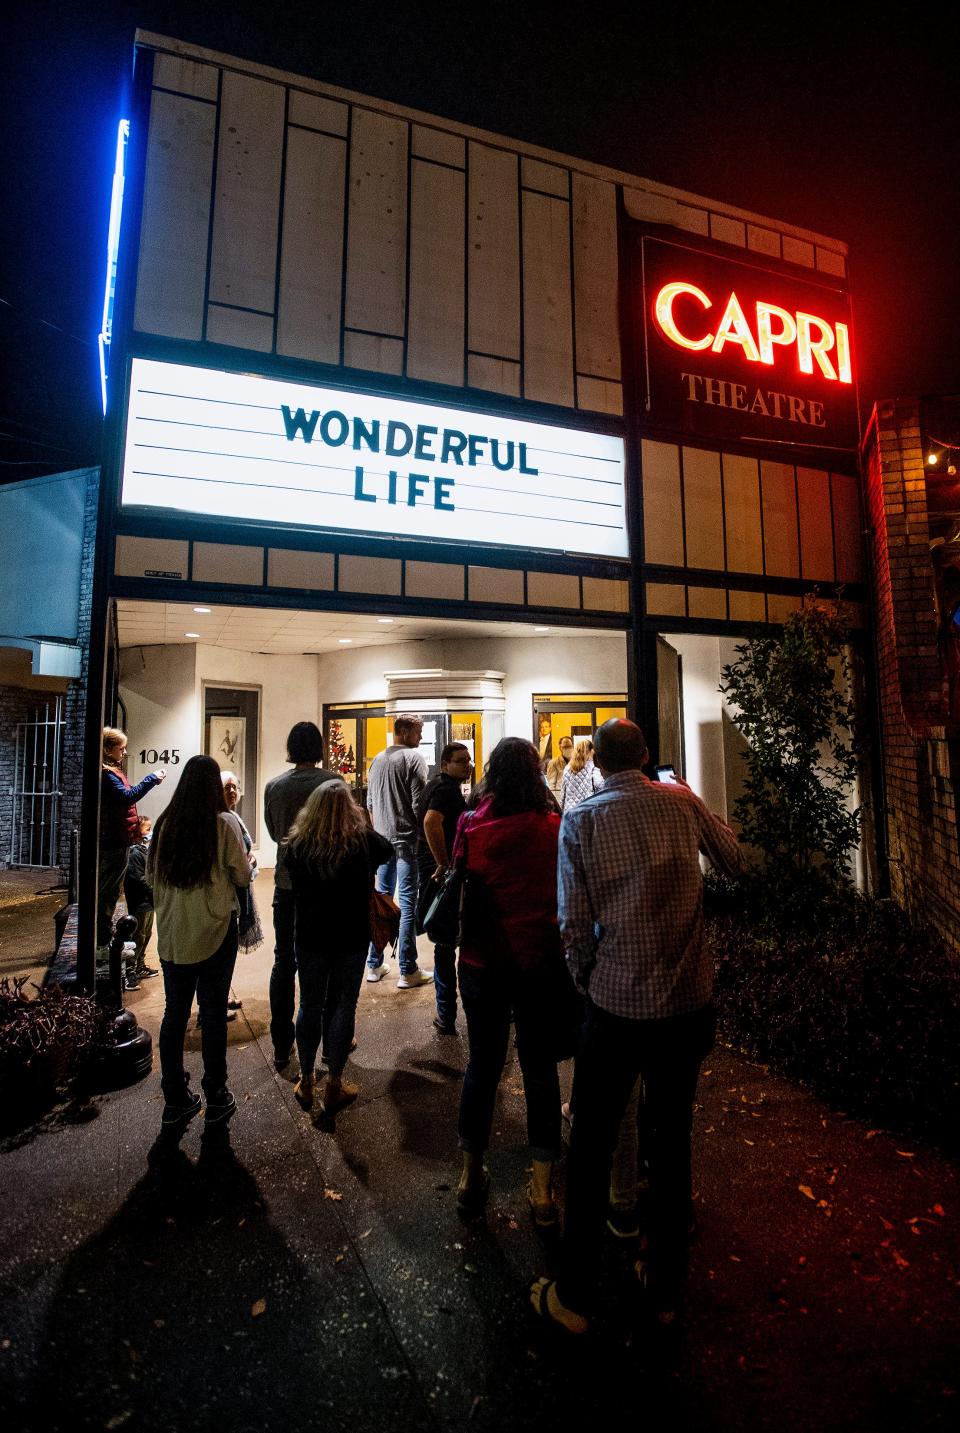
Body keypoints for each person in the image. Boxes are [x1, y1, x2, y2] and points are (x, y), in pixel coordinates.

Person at [530, 718, 743, 1335]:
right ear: (647, 756)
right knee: (671, 1142)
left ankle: (575, 1294)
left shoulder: (583, 818)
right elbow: (735, 860)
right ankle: (665, 1285)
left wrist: (586, 979)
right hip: (686, 1005)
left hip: (616, 1008)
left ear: (598, 760)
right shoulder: (681, 801)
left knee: (592, 1144)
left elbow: (573, 922)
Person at [454, 737, 565, 1225]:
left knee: (483, 1064)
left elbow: (458, 875)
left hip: (482, 960)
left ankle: (469, 1175)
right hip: (540, 960)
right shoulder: (555, 827)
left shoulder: (471, 824)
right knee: (540, 1068)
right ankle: (542, 1190)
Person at [148, 755, 254, 1129]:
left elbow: (150, 876)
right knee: (212, 1015)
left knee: (174, 1012)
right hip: (213, 929)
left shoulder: (164, 824)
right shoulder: (223, 824)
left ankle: (175, 1095)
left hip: (174, 934)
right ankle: (217, 1094)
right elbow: (242, 875)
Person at [284, 782, 393, 1114]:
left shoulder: (298, 845)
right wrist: (362, 820)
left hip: (310, 936)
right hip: (351, 935)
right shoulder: (360, 841)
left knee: (310, 1005)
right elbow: (387, 850)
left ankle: (305, 1079)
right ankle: (333, 1082)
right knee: (345, 1004)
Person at [263, 722, 342, 1070]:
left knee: (284, 962)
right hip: (326, 886)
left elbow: (272, 831)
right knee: (324, 963)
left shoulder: (274, 787)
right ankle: (326, 1042)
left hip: (286, 885)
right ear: (320, 747)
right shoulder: (333, 783)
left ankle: (282, 1044)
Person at [366, 715, 433, 988]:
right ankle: (408, 968)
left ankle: (374, 963)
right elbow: (419, 804)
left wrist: (380, 831)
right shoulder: (413, 759)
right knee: (407, 900)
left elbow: (370, 803)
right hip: (407, 840)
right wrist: (423, 837)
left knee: (382, 898)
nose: (420, 737)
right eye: (418, 732)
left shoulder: (377, 760)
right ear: (403, 732)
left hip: (383, 841)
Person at [416, 742, 473, 1034]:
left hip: (433, 869)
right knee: (447, 941)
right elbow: (431, 821)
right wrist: (444, 862)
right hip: (441, 873)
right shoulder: (446, 790)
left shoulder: (435, 785)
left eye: (468, 760)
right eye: (461, 761)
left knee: (443, 941)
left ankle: (445, 1011)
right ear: (444, 763)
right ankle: (446, 1011)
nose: (468, 765)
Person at [98, 727, 166, 955]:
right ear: (108, 750)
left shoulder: (111, 772)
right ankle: (102, 942)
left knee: (111, 889)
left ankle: (103, 938)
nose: (124, 752)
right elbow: (127, 797)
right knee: (108, 891)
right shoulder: (107, 775)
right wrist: (150, 779)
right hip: (115, 840)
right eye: (121, 748)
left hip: (120, 837)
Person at [122, 817, 157, 989]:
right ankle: (130, 972)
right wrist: (154, 891)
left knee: (146, 934)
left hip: (148, 902)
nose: (149, 832)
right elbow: (139, 879)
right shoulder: (136, 853)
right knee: (138, 936)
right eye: (147, 829)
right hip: (140, 902)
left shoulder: (144, 851)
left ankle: (140, 965)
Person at [559, 738, 603, 812]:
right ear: (590, 751)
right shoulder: (593, 769)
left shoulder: (567, 768)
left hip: (570, 812)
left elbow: (563, 794)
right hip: (586, 811)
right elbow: (601, 787)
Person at [544, 736, 574, 803]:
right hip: (560, 799)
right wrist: (554, 802)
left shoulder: (575, 762)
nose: (567, 749)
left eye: (569, 746)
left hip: (573, 798)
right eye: (565, 747)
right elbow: (551, 785)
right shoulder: (553, 763)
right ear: (560, 747)